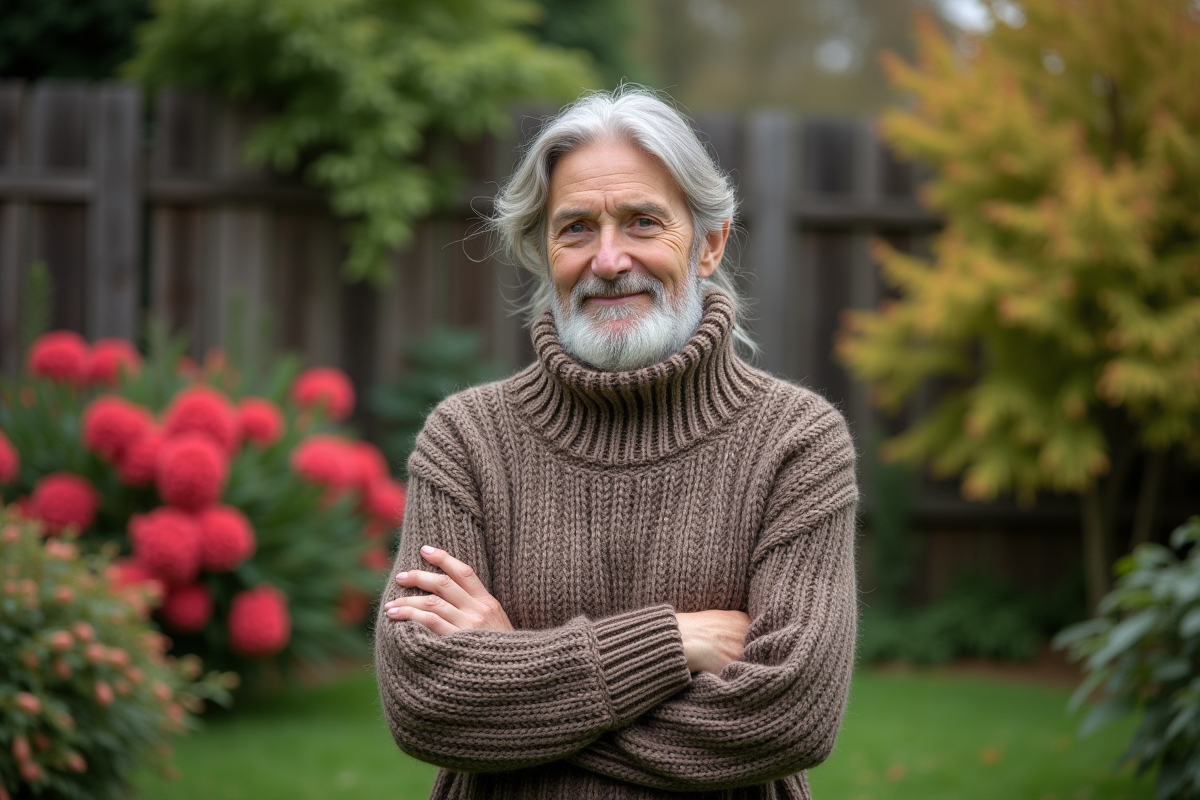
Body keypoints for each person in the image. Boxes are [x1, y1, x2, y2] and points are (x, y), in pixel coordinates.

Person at [374, 86, 858, 799]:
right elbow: (424, 704)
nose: (607, 260)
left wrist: (511, 669)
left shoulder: (797, 441)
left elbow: (789, 717)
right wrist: (675, 645)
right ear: (544, 251)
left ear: (708, 243)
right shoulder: (466, 440)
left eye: (641, 222)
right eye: (575, 228)